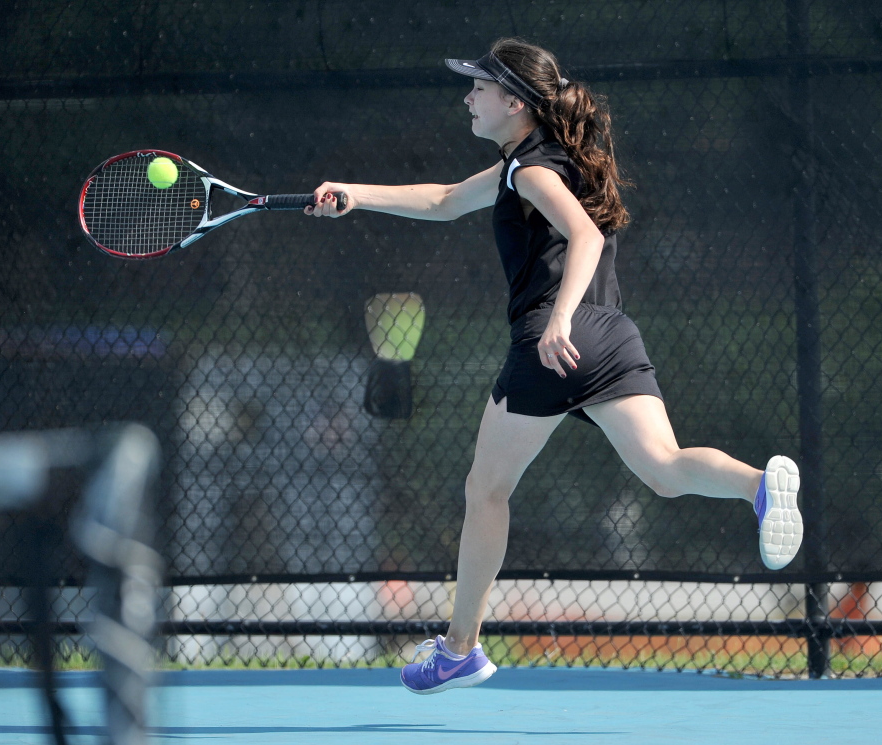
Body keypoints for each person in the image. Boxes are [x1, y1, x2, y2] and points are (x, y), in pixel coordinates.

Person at [305, 37, 803, 695]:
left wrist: (560, 317)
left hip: (555, 338)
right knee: (662, 467)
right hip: (613, 337)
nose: (467, 97)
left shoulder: (531, 172)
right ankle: (758, 487)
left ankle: (459, 648)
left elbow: (586, 237)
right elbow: (444, 199)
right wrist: (355, 194)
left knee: (485, 490)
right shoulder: (537, 161)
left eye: (478, 87)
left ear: (514, 101)